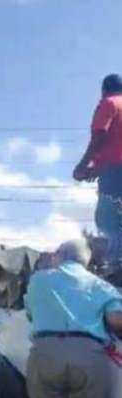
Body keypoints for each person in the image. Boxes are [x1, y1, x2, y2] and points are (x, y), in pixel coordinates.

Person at [24, 240, 122, 398]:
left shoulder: (37, 280)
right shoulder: (101, 286)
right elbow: (116, 320)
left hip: (44, 356)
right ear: (85, 261)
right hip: (90, 358)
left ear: (60, 255)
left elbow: (30, 314)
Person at [74, 74, 122, 274]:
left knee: (106, 220)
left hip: (114, 176)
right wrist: (98, 169)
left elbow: (100, 136)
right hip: (112, 170)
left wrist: (83, 166)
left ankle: (116, 268)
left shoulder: (109, 104)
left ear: (104, 90)